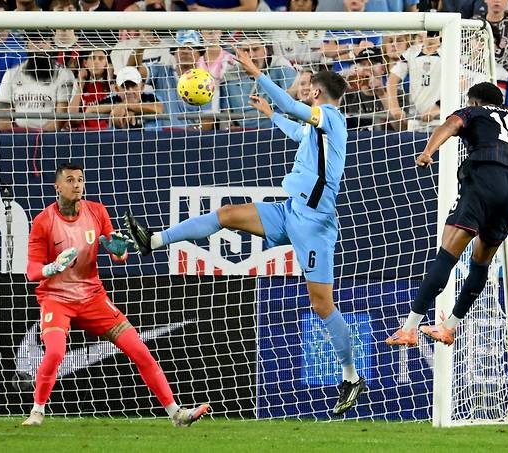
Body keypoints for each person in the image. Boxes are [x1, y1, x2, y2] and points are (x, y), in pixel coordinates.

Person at [124, 52, 367, 416]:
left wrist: (257, 73)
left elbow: (293, 107)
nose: (303, 93)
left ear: (316, 92)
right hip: (290, 211)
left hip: (315, 223)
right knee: (226, 214)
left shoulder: (331, 117)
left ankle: (351, 376)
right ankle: (153, 240)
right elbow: (297, 129)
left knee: (321, 304)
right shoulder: (319, 127)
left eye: (306, 88)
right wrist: (271, 115)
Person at [22, 162, 209, 427]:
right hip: (57, 298)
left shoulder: (97, 211)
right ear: (57, 187)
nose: (77, 185)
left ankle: (176, 414)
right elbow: (31, 271)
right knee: (54, 352)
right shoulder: (44, 221)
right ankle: (37, 412)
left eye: (80, 180)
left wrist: (119, 249)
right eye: (70, 180)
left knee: (139, 351)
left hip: (93, 298)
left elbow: (117, 252)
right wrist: (52, 268)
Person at [385, 82, 508, 347]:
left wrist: (427, 152)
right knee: (481, 261)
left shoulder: (474, 113)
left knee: (448, 253)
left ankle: (409, 328)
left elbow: (450, 126)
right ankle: (449, 327)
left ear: (473, 102)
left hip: (484, 178)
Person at [0, 31, 74, 131]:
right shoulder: (11, 74)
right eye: (35, 40)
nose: (40, 44)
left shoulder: (64, 74)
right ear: (27, 44)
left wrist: (38, 138)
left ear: (51, 43)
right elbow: (2, 116)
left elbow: (60, 118)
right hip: (17, 137)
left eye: (44, 39)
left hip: (52, 138)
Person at [387, 31, 442, 130]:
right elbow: (392, 80)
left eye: (436, 33)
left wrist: (438, 107)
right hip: (416, 119)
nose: (432, 37)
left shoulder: (449, 52)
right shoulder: (411, 52)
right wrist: (394, 107)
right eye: (430, 33)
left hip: (441, 120)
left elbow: (461, 84)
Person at [84, 66, 164, 129]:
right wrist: (119, 107)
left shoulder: (149, 97)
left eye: (134, 86)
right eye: (124, 86)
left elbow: (159, 109)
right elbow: (89, 110)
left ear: (142, 87)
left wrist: (125, 106)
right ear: (117, 89)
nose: (129, 91)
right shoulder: (113, 98)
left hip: (150, 141)